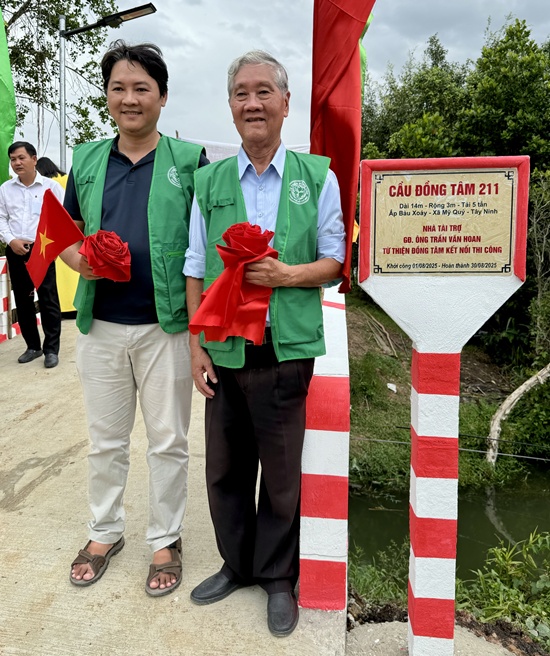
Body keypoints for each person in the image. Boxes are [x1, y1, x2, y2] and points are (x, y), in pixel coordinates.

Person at [185, 50, 345, 636]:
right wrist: (196, 345)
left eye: (263, 92)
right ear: (231, 108)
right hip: (225, 346)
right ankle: (237, 565)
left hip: (285, 347)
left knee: (280, 473)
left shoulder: (317, 176)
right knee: (225, 468)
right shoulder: (209, 180)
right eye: (241, 94)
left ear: (285, 103)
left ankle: (278, 577)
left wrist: (287, 275)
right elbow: (195, 262)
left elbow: (334, 259)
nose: (252, 103)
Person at [60, 40, 208, 596]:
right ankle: (104, 531)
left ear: (162, 97)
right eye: (118, 87)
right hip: (100, 324)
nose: (129, 98)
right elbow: (66, 233)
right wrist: (79, 261)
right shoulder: (86, 159)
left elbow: (205, 244)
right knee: (105, 440)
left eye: (141, 88)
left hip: (166, 326)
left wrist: (201, 330)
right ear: (107, 96)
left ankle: (165, 539)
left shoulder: (190, 161)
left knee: (168, 440)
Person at [0, 141, 64, 368]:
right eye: (13, 159)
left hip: (42, 250)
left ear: (34, 159)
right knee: (23, 300)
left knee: (48, 299)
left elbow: (62, 217)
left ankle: (51, 349)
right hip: (16, 250)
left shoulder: (51, 187)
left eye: (21, 158)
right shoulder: (6, 189)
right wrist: (11, 240)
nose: (17, 163)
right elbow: (1, 218)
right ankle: (33, 347)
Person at [35, 157, 77, 315]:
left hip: (51, 234)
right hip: (73, 231)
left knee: (57, 275)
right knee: (74, 270)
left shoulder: (45, 184)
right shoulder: (67, 179)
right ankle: (75, 305)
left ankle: (61, 308)